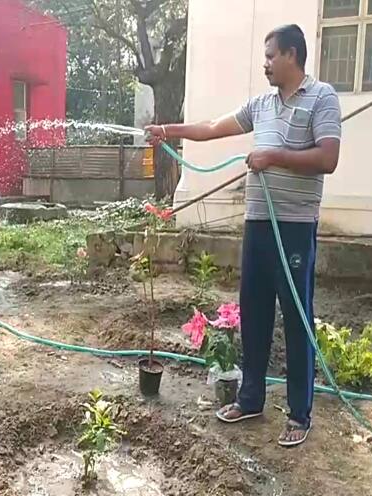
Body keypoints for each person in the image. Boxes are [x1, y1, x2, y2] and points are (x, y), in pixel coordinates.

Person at [145, 24, 341, 447]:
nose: (265, 64)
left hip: (294, 226)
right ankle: (250, 399)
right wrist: (168, 131)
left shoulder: (322, 97)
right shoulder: (262, 104)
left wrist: (273, 156)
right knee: (252, 312)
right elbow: (214, 126)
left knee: (296, 318)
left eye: (271, 56)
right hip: (257, 224)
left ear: (292, 55)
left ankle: (299, 414)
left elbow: (328, 158)